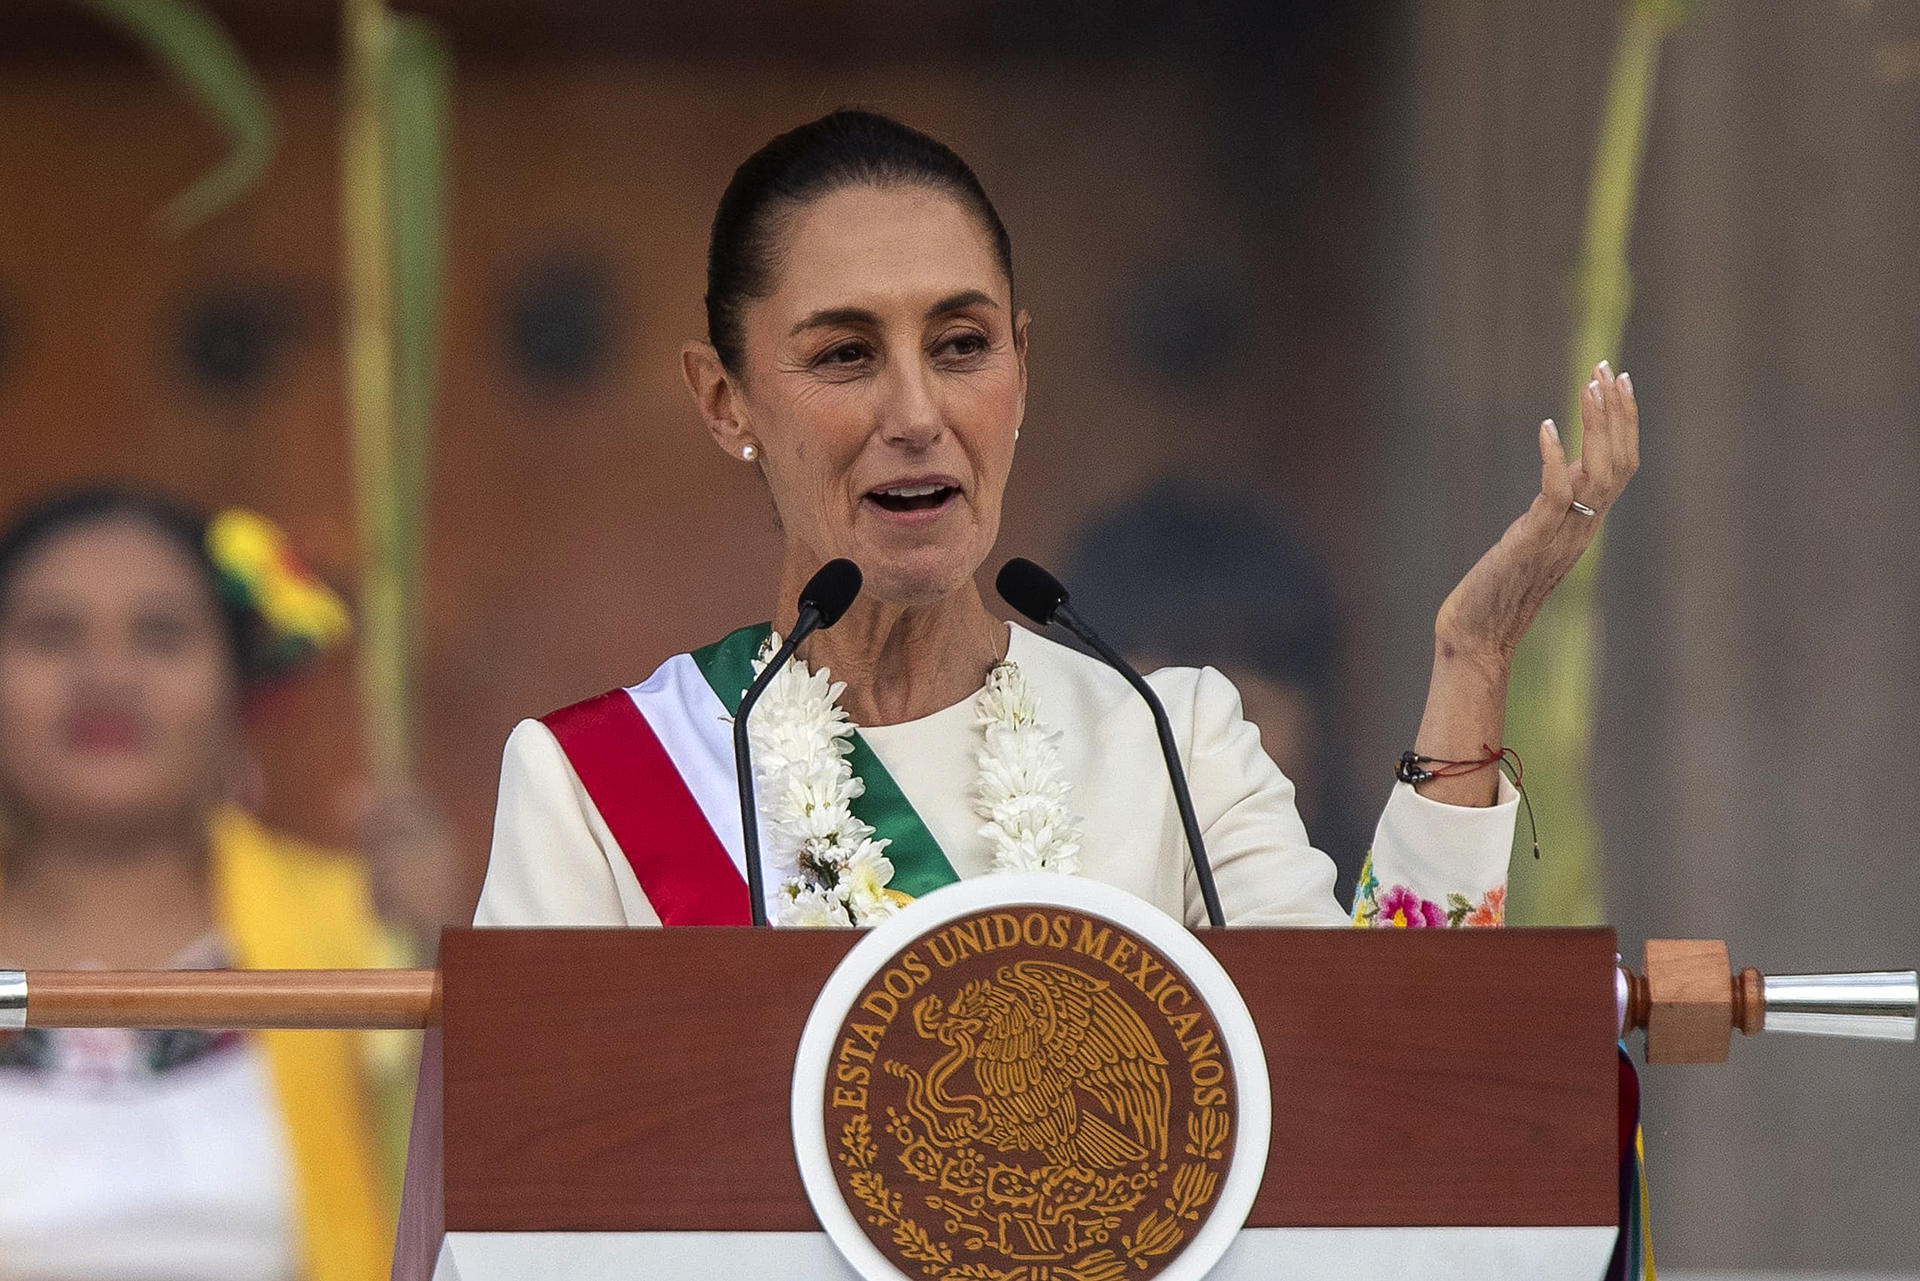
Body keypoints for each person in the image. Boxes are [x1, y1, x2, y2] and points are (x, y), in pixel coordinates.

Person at [475, 109, 1639, 933]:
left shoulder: (1169, 742)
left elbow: (1373, 1074)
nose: (918, 413)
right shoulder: (592, 790)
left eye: (962, 345)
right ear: (724, 399)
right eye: (844, 355)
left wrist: (1470, 660)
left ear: (1021, 373)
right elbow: (533, 1209)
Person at [0, 489, 460, 1281]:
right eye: (52, 633)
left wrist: (457, 959)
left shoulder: (362, 929)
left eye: (161, 635)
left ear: (236, 683)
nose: (107, 674)